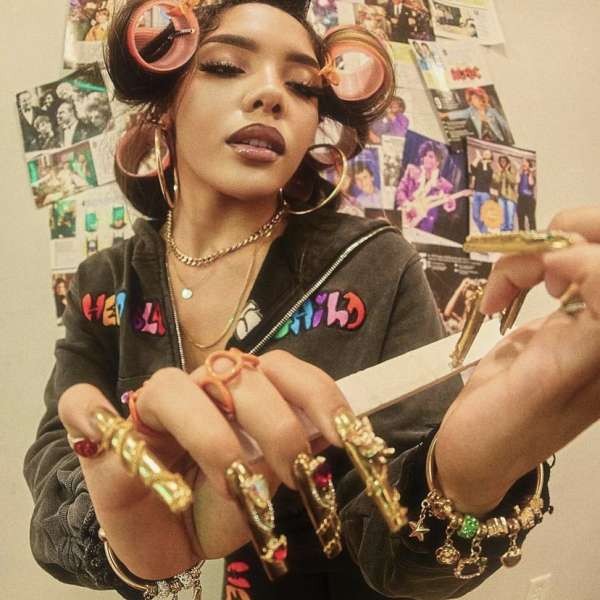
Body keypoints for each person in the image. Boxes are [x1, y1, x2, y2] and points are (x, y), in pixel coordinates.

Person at [23, 3, 600, 600]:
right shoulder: (103, 281)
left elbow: (396, 554)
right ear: (164, 103)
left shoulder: (375, 264)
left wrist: (464, 477)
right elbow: (53, 470)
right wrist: (120, 533)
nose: (272, 94)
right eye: (225, 66)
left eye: (301, 86)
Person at [394, 139, 454, 232]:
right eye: (425, 155)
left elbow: (447, 207)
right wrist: (408, 205)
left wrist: (449, 202)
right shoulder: (411, 171)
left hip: (424, 225)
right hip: (404, 215)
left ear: (437, 162)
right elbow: (400, 191)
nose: (426, 158)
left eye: (430, 156)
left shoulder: (444, 185)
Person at [469, 148, 495, 233]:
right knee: (475, 216)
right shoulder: (479, 166)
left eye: (487, 154)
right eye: (484, 153)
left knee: (484, 215)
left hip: (485, 194)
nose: (485, 154)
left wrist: (485, 164)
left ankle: (484, 233)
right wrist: (477, 158)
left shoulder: (490, 170)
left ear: (490, 157)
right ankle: (484, 232)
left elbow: (486, 177)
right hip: (476, 192)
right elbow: (472, 167)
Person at [494, 154, 518, 232]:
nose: (502, 162)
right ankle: (502, 232)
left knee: (509, 218)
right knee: (502, 218)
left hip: (510, 197)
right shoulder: (498, 171)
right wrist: (500, 171)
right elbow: (496, 181)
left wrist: (507, 171)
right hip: (501, 197)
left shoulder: (512, 170)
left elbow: (513, 181)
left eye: (504, 161)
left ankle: (509, 232)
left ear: (507, 162)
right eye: (501, 161)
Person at [517, 158, 537, 230]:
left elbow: (531, 183)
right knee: (520, 217)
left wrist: (530, 173)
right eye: (523, 162)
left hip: (529, 199)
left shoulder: (531, 175)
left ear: (529, 164)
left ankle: (533, 232)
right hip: (521, 198)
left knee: (531, 218)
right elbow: (517, 181)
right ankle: (521, 232)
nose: (524, 163)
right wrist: (518, 170)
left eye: (525, 162)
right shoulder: (520, 175)